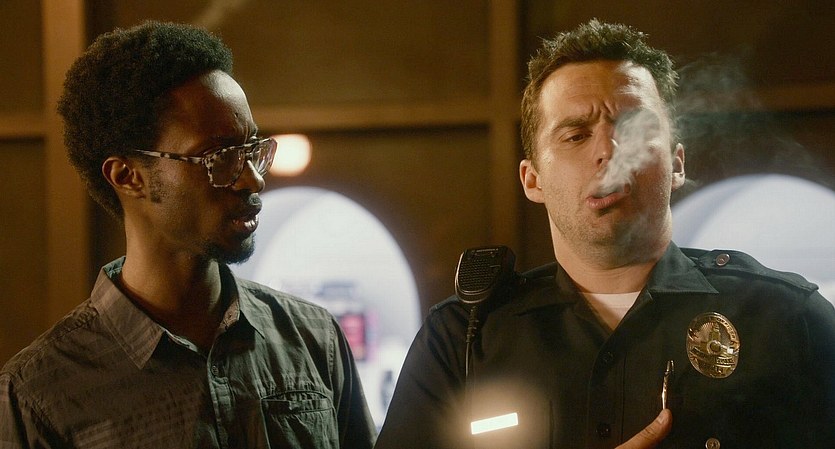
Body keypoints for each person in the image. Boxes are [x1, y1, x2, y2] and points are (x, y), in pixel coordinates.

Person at [375, 19, 835, 449]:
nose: (608, 152)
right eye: (576, 135)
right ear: (532, 180)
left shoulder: (787, 320)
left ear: (676, 163)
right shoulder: (463, 338)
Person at [0, 21, 375, 448]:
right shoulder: (39, 396)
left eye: (252, 150)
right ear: (128, 176)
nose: (252, 180)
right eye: (218, 157)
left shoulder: (313, 339)